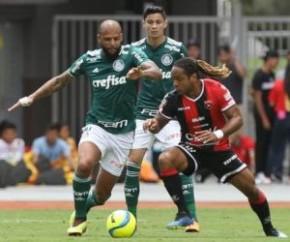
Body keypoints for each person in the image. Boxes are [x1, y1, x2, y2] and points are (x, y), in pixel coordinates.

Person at [8, 19, 161, 236]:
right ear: (99, 38)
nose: (112, 43)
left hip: (124, 134)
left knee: (102, 195)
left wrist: (142, 73)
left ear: (122, 36)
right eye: (107, 39)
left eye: (116, 38)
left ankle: (85, 205)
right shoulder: (89, 59)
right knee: (84, 164)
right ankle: (79, 219)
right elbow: (61, 80)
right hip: (96, 126)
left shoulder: (132, 54)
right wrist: (31, 97)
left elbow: (156, 71)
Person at [143, 57, 287, 238]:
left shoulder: (215, 89)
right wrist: (152, 123)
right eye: (174, 79)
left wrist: (217, 135)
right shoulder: (172, 98)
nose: (175, 83)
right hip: (191, 149)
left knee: (252, 189)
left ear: (193, 78)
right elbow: (158, 123)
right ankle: (184, 213)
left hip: (219, 150)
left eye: (179, 79)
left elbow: (237, 118)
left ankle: (269, 229)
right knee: (166, 159)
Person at [125, 5, 199, 232]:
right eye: (150, 22)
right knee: (132, 164)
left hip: (171, 114)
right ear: (143, 24)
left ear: (165, 23)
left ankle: (191, 217)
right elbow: (125, 77)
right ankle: (131, 219)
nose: (154, 26)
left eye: (158, 22)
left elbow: (188, 82)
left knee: (179, 162)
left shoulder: (177, 48)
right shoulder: (135, 49)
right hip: (142, 113)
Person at [252, 50, 279, 184]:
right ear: (268, 59)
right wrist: (263, 118)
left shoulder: (272, 75)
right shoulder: (259, 76)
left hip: (272, 114)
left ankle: (267, 172)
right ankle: (259, 172)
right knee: (261, 143)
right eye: (275, 58)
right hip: (262, 115)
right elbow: (257, 98)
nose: (277, 61)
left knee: (269, 143)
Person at [266, 58, 290, 182]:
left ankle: (276, 172)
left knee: (277, 146)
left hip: (281, 116)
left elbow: (271, 102)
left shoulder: (278, 85)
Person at [0, 120, 31, 187]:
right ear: (2, 134)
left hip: (15, 166)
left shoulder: (19, 142)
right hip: (3, 166)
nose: (9, 136)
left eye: (12, 133)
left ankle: (7, 181)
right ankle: (6, 180)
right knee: (2, 165)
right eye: (7, 133)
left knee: (26, 170)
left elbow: (20, 156)